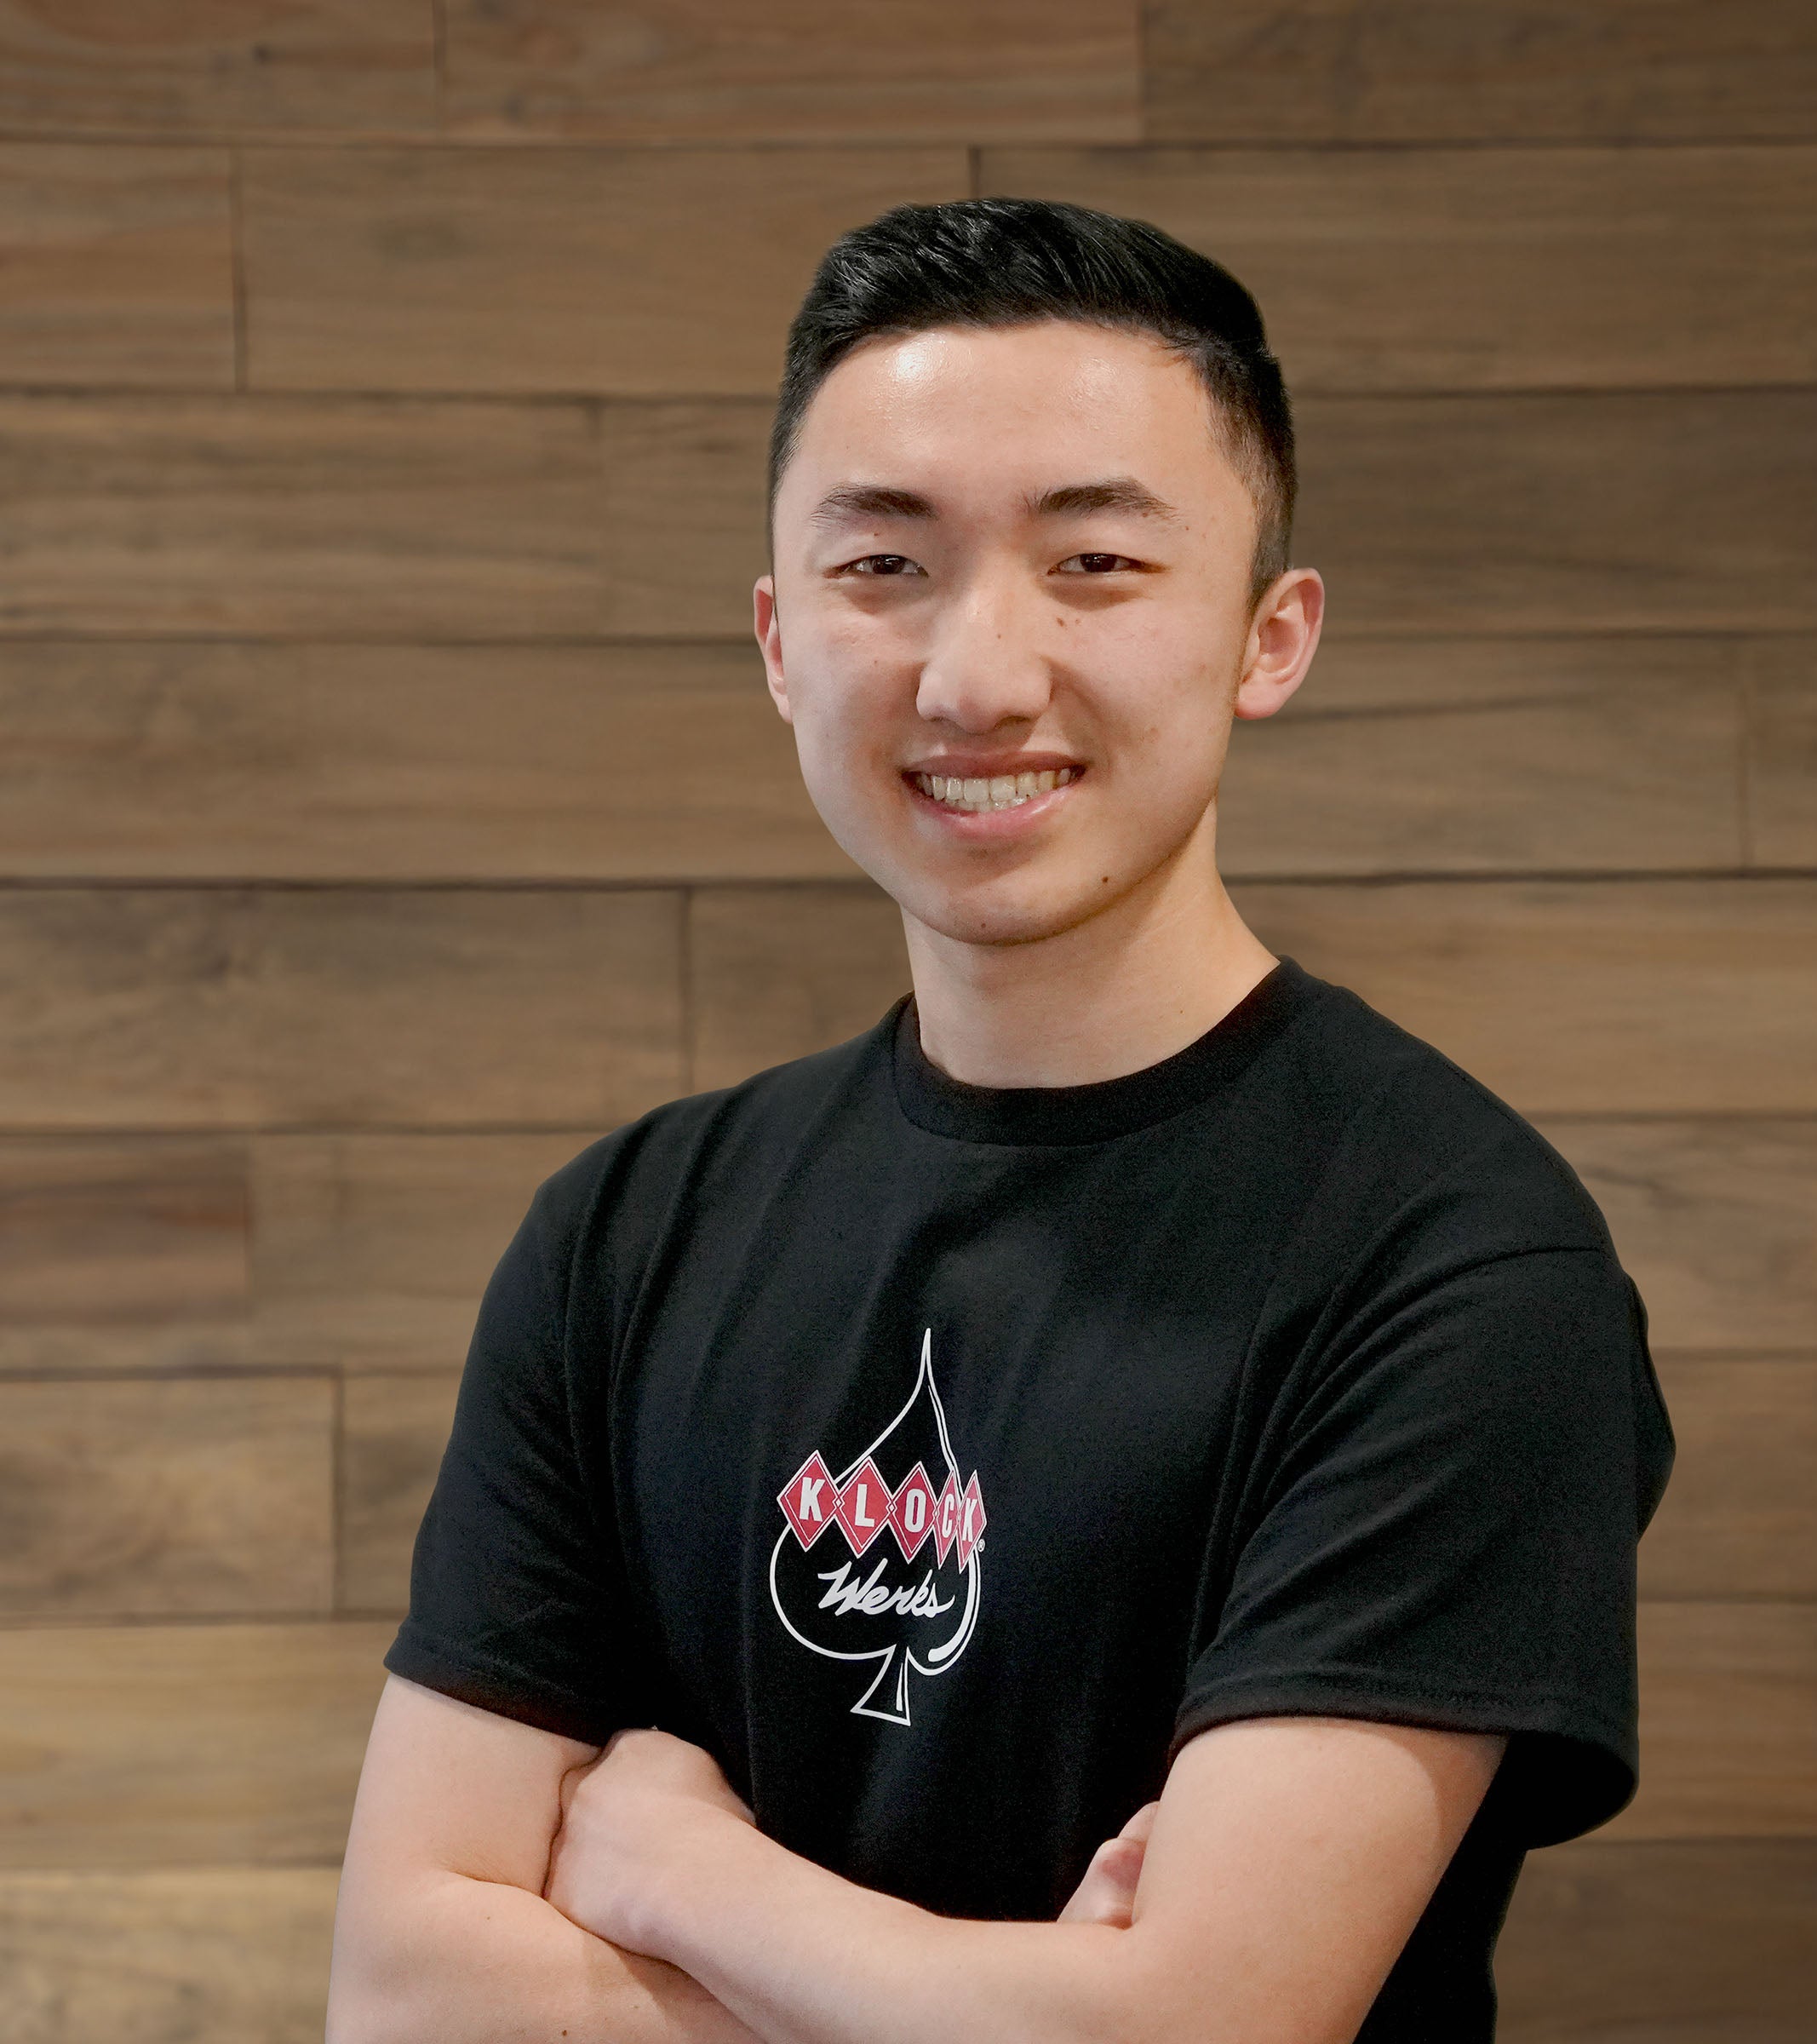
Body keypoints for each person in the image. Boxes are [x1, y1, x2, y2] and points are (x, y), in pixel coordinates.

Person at [326, 197, 1676, 2044]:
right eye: (884, 564)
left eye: (1096, 563)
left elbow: (1198, 2036)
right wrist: (1021, 2002)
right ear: (780, 640)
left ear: (1268, 636)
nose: (977, 677)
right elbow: (405, 1995)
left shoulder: (1454, 1269)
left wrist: (680, 1875)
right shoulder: (628, 1231)